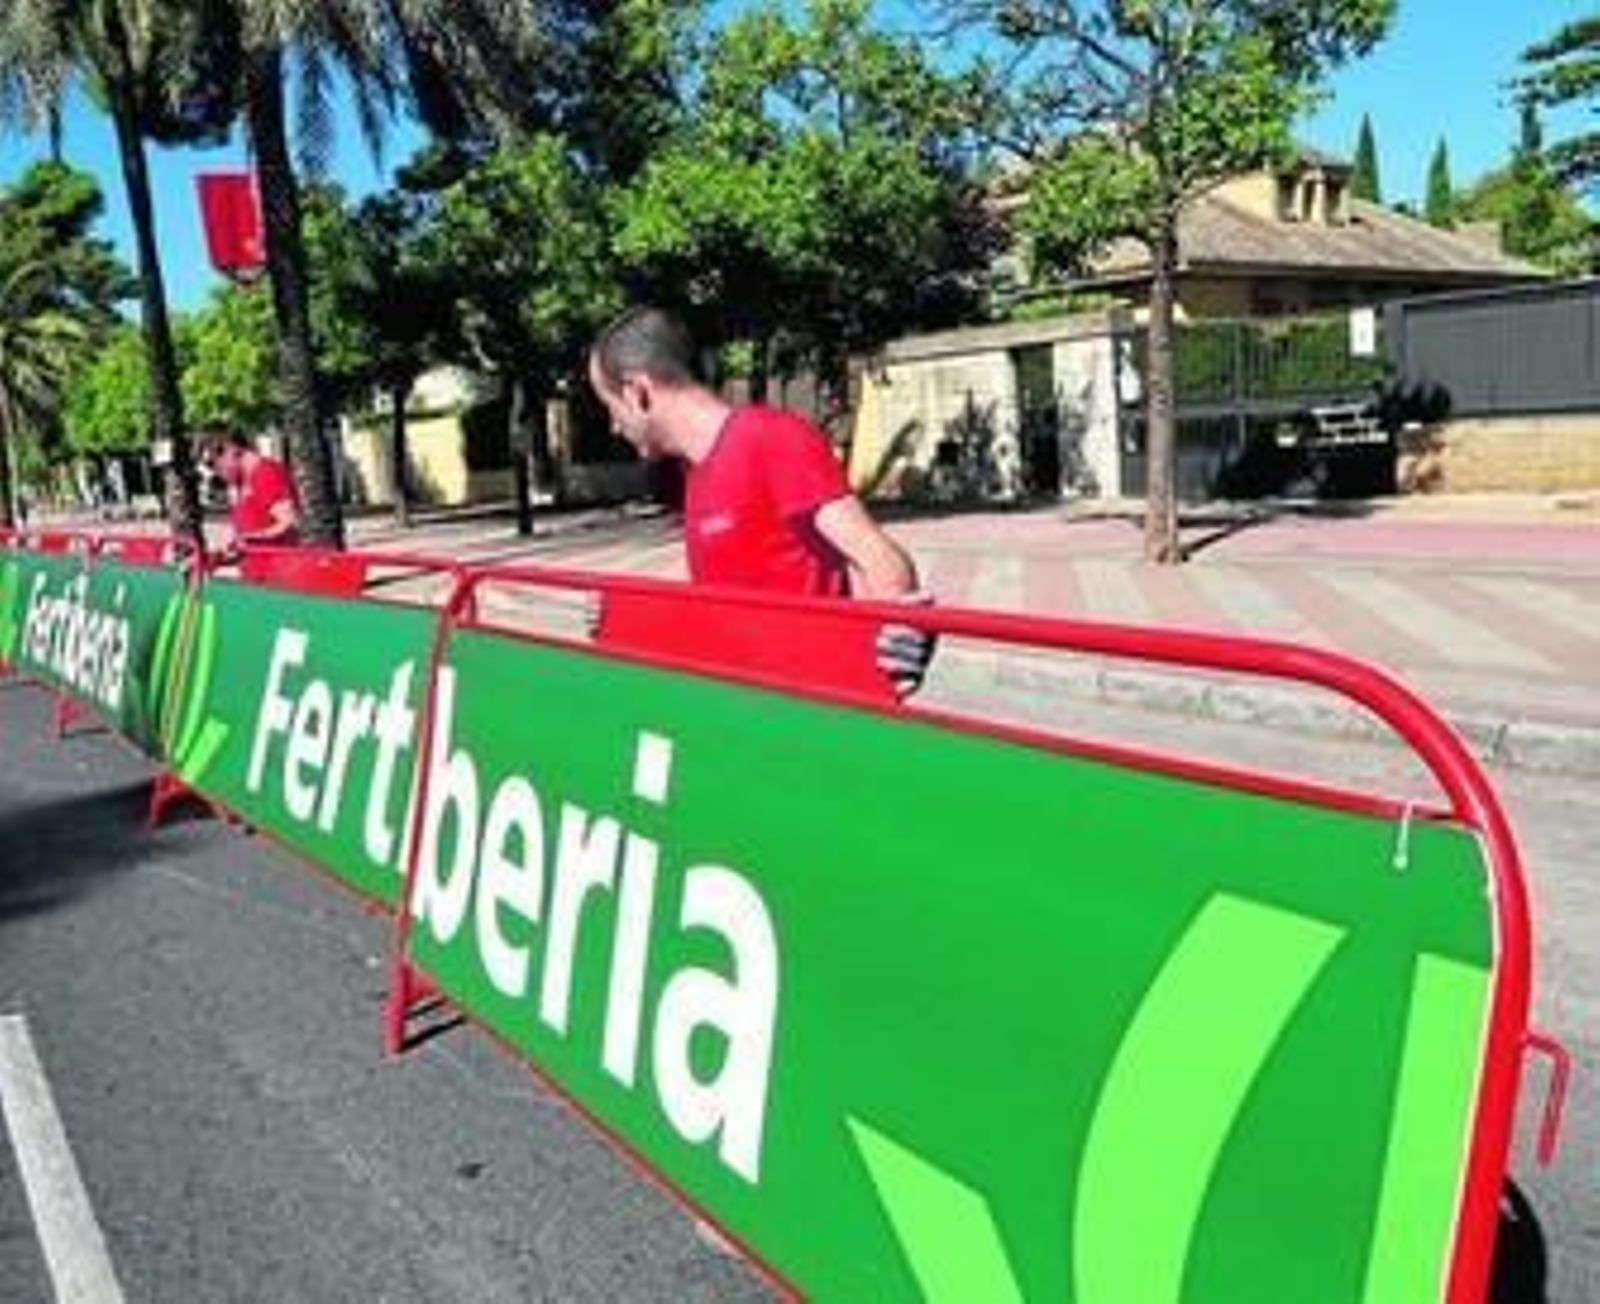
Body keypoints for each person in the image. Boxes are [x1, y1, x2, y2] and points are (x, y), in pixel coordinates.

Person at [588, 305, 934, 696]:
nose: (613, 426)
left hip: (805, 701)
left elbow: (880, 557)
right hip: (749, 699)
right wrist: (626, 611)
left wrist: (893, 650)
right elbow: (726, 590)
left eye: (610, 407)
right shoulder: (695, 470)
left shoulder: (768, 437)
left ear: (637, 393)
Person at [198, 426, 301, 555]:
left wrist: (249, 539)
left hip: (278, 565)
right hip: (255, 566)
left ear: (232, 449)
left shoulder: (266, 473)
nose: (215, 472)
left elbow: (289, 524)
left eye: (212, 463)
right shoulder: (240, 483)